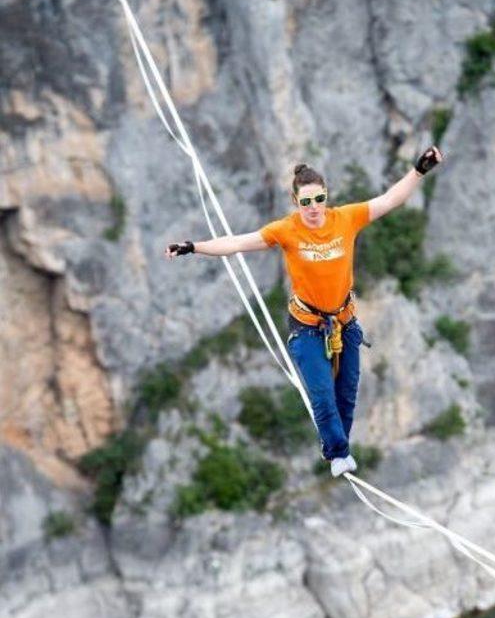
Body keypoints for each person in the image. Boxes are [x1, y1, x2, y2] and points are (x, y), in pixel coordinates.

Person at [165, 145, 442, 477]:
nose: (314, 208)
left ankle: (338, 445)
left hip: (344, 320)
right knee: (322, 395)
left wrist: (419, 170)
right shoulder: (287, 230)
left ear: (327, 196)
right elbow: (237, 243)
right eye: (306, 202)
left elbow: (389, 199)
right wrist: (193, 247)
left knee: (347, 393)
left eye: (319, 199)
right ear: (296, 203)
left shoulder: (346, 219)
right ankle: (338, 453)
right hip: (308, 326)